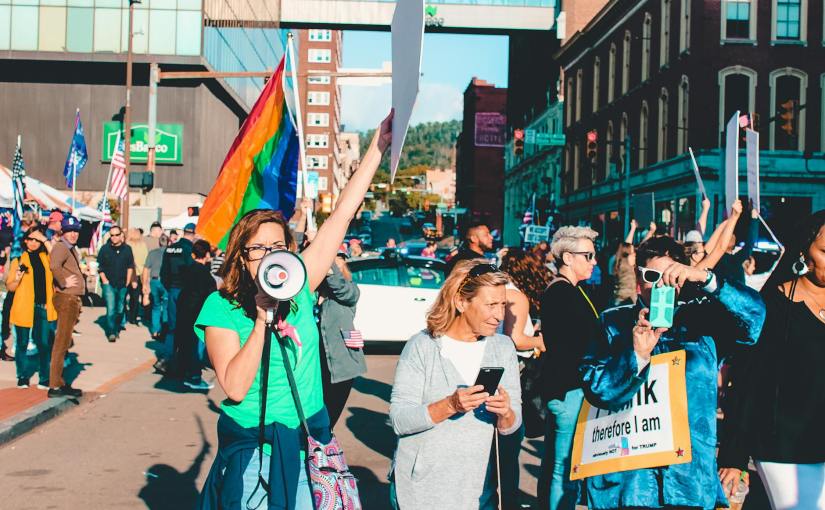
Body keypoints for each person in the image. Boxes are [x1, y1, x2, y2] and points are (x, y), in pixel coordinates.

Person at [196, 111, 392, 509]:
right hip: (254, 451)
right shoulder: (221, 307)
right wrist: (262, 320)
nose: (270, 258)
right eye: (258, 250)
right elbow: (233, 386)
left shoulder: (300, 285)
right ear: (241, 257)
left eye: (278, 248)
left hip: (307, 445)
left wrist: (379, 146)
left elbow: (342, 215)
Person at [578, 236, 765, 510]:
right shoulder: (613, 323)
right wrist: (636, 356)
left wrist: (705, 279)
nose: (661, 284)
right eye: (652, 275)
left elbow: (754, 320)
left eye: (670, 274)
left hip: (688, 480)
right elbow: (597, 390)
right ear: (638, 278)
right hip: (631, 482)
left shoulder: (703, 321)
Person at [389, 260, 522, 509]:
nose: (500, 315)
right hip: (422, 493)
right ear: (461, 302)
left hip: (478, 494)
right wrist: (451, 404)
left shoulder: (502, 348)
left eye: (503, 304)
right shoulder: (422, 346)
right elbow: (400, 421)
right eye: (491, 305)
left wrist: (505, 413)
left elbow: (513, 427)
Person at [719, 210, 825, 509]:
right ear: (805, 251)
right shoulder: (776, 305)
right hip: (785, 446)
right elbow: (750, 380)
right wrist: (733, 455)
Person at [537, 226, 601, 510]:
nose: (594, 261)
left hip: (568, 388)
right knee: (565, 468)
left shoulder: (568, 290)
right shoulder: (561, 293)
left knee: (559, 464)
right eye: (588, 255)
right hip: (568, 390)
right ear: (567, 258)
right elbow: (569, 348)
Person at [498, 248, 548, 508]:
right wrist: (540, 340)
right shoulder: (516, 295)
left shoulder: (497, 289)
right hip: (513, 374)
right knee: (508, 445)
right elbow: (515, 339)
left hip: (494, 371)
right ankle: (508, 502)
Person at [318, 252, 365, 427]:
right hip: (314, 365)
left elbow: (339, 285)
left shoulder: (351, 290)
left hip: (340, 366)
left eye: (337, 264)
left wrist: (327, 259)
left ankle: (322, 449)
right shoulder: (313, 292)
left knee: (328, 419)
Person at [6, 226, 56, 389]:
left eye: (37, 240)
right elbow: (10, 287)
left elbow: (56, 258)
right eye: (30, 239)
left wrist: (45, 239)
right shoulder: (18, 259)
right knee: (22, 343)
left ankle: (44, 377)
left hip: (43, 306)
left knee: (43, 343)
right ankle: (22, 376)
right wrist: (18, 278)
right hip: (24, 306)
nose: (33, 243)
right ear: (25, 240)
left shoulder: (46, 258)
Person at [48, 215, 85, 398]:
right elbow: (54, 266)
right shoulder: (61, 247)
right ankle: (54, 385)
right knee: (61, 342)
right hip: (66, 298)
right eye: (69, 231)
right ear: (63, 231)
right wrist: (63, 282)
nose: (73, 234)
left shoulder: (70, 249)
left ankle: (59, 382)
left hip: (72, 299)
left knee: (65, 341)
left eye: (75, 231)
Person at [174, 239, 216, 390]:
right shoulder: (204, 274)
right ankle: (194, 377)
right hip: (197, 313)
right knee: (195, 346)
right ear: (206, 254)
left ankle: (185, 373)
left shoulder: (187, 270)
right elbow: (211, 295)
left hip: (184, 310)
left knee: (185, 344)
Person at [160, 223, 195, 355]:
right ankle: (183, 359)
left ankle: (167, 357)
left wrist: (168, 287)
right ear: (193, 234)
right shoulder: (191, 250)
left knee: (172, 327)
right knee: (187, 326)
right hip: (186, 292)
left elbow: (164, 272)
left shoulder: (170, 249)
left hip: (172, 289)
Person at [97, 225, 135, 342]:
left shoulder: (127, 249)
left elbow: (130, 266)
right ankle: (111, 332)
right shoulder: (105, 249)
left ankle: (117, 327)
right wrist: (104, 280)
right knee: (111, 308)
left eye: (116, 235)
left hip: (123, 283)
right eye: (111, 235)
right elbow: (100, 266)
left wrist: (128, 281)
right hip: (108, 283)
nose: (114, 237)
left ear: (121, 235)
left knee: (120, 309)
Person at [714, 207, 760, 285]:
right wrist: (754, 218)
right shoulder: (735, 260)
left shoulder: (715, 259)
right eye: (730, 236)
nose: (732, 236)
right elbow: (750, 244)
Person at [142, 234, 168, 341]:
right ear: (168, 242)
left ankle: (155, 330)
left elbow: (146, 269)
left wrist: (144, 284)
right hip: (166, 281)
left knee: (156, 306)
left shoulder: (152, 253)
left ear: (159, 242)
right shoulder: (170, 254)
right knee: (166, 307)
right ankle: (164, 330)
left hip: (154, 280)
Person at [126, 228, 148, 325]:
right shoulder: (143, 245)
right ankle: (136, 316)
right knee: (138, 296)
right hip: (142, 273)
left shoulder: (128, 245)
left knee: (131, 296)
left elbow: (129, 261)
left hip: (131, 273)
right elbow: (145, 260)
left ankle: (130, 316)